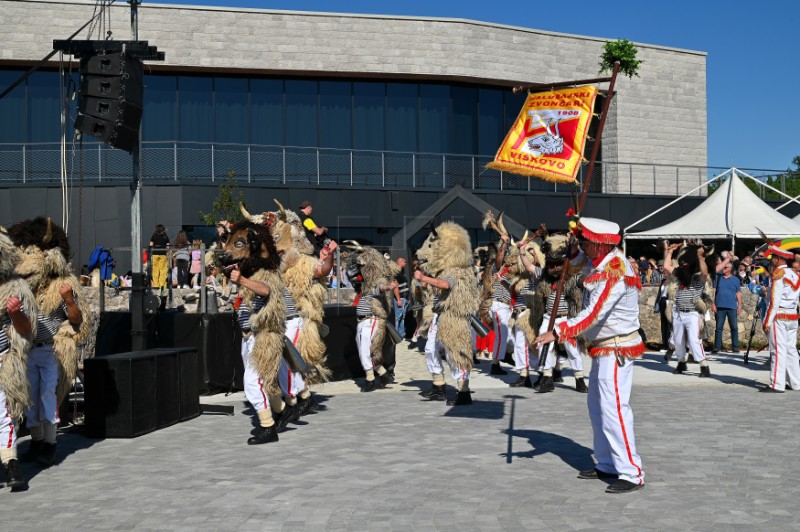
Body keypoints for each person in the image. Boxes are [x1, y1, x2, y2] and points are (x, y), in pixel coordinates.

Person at [535, 217, 645, 493]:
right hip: (603, 349)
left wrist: (558, 331)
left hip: (616, 348)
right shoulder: (599, 260)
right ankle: (607, 463)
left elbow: (594, 314)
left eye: (586, 241)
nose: (582, 245)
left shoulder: (615, 270)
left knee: (615, 409)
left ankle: (631, 472)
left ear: (600, 243)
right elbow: (575, 261)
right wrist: (570, 244)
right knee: (597, 407)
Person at [8, 217, 88, 467]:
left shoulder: (62, 285)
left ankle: (51, 445)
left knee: (46, 395)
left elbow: (78, 320)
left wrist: (69, 300)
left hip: (50, 350)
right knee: (29, 397)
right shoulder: (18, 288)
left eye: (31, 252)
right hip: (26, 351)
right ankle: (37, 442)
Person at [663, 241, 712, 377]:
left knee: (694, 340)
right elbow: (667, 266)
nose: (683, 267)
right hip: (678, 313)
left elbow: (705, 272)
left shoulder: (698, 281)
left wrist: (701, 258)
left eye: (686, 266)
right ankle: (681, 362)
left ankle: (704, 366)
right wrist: (670, 252)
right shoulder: (679, 278)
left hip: (692, 314)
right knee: (678, 340)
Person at [760, 244, 800, 392]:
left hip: (780, 315)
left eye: (773, 258)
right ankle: (796, 382)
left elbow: (774, 301)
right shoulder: (795, 274)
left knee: (778, 350)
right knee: (791, 349)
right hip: (792, 315)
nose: (772, 261)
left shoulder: (778, 274)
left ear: (778, 259)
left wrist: (767, 321)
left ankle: (777, 384)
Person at [711, 260, 742, 353]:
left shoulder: (736, 280)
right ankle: (717, 347)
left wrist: (740, 306)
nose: (723, 269)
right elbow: (713, 292)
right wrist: (713, 304)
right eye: (723, 267)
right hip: (719, 306)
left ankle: (735, 347)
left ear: (730, 269)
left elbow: (738, 293)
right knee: (718, 328)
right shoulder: (718, 278)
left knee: (734, 328)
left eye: (725, 267)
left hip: (732, 307)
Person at [393, 257, 410, 339]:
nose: (406, 264)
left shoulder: (402, 272)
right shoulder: (396, 273)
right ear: (400, 262)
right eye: (405, 262)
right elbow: (395, 287)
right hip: (400, 299)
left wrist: (408, 299)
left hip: (404, 299)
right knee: (398, 318)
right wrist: (398, 299)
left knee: (402, 317)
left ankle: (401, 335)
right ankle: (396, 336)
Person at [149, 224, 170, 289]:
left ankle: (156, 286)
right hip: (163, 254)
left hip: (155, 254)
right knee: (163, 271)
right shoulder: (165, 237)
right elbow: (168, 247)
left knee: (155, 270)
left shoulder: (153, 236)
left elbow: (151, 245)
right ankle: (162, 286)